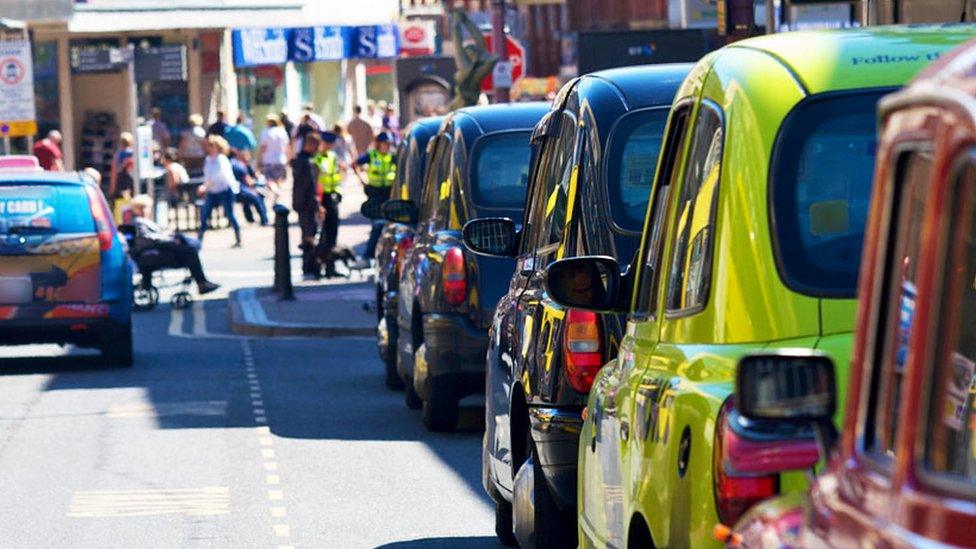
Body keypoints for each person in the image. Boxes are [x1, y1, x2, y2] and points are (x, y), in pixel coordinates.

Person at [129, 194, 220, 295]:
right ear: (135, 209)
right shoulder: (137, 222)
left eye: (146, 207)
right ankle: (201, 283)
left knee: (187, 249)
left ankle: (202, 282)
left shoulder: (144, 222)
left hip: (154, 252)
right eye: (141, 208)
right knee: (189, 252)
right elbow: (148, 239)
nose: (145, 210)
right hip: (150, 255)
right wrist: (169, 239)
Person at [353, 131, 396, 266]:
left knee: (387, 227)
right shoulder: (372, 155)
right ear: (379, 144)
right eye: (384, 144)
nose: (387, 146)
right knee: (377, 225)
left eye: (388, 144)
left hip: (388, 193)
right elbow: (355, 164)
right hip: (375, 193)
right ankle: (368, 256)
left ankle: (382, 256)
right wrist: (362, 180)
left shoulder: (392, 156)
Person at [198, 135, 242, 247]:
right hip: (212, 191)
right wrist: (205, 186)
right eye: (209, 145)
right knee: (204, 214)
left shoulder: (222, 159)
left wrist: (205, 187)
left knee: (230, 214)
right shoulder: (208, 160)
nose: (210, 148)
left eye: (212, 145)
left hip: (224, 190)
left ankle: (238, 239)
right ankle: (198, 241)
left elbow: (219, 175)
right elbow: (207, 176)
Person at [315, 132, 347, 278]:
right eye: (327, 144)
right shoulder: (316, 159)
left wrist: (338, 191)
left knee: (332, 233)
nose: (330, 147)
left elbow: (336, 176)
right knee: (322, 235)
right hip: (321, 199)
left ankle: (330, 266)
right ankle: (317, 266)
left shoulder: (332, 156)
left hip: (332, 197)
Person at [291, 132, 322, 279]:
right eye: (316, 145)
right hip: (307, 205)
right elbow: (309, 186)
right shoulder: (307, 163)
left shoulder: (300, 160)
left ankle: (309, 267)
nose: (317, 148)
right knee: (309, 236)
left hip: (301, 203)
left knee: (307, 235)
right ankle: (309, 268)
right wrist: (316, 205)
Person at [230, 150, 268, 225]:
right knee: (257, 197)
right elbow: (249, 182)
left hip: (239, 191)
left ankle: (250, 218)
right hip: (240, 191)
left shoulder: (242, 165)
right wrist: (258, 184)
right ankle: (264, 219)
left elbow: (253, 176)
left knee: (251, 197)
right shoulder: (239, 167)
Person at [259, 114, 290, 192]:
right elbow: (287, 147)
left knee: (269, 180)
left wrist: (260, 159)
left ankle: (275, 193)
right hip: (280, 159)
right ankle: (276, 198)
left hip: (268, 160)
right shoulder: (282, 132)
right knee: (278, 181)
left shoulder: (266, 132)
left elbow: (263, 147)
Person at [109, 132, 135, 199]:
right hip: (132, 183)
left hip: (121, 183)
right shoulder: (134, 154)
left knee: (122, 206)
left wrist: (112, 188)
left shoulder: (117, 154)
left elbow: (114, 172)